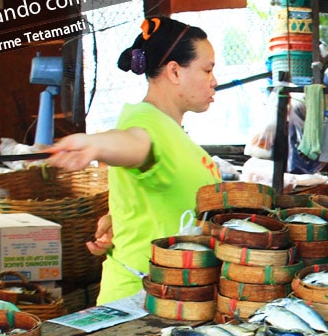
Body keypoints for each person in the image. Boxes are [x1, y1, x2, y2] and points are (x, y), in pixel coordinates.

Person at [47, 16, 221, 303]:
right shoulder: (145, 123)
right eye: (207, 70)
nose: (214, 81)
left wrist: (118, 218)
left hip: (170, 295)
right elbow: (133, 144)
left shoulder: (168, 127)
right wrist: (94, 144)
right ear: (175, 72)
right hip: (137, 301)